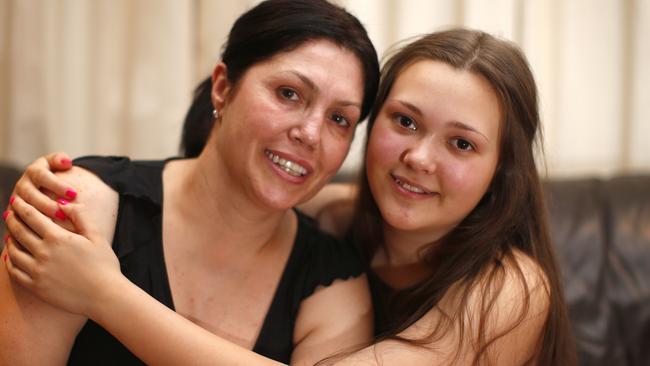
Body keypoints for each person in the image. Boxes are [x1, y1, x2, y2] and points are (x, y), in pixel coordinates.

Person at [3, 29, 577, 365]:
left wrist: (103, 292)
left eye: (461, 143)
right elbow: (223, 188)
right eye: (404, 121)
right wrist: (69, 178)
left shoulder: (511, 288)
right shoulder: (333, 213)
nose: (420, 158)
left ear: (501, 169)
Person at [0, 0, 381, 364]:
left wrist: (103, 293)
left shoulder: (333, 282)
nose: (311, 134)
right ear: (222, 87)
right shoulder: (82, 205)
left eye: (339, 119)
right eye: (288, 93)